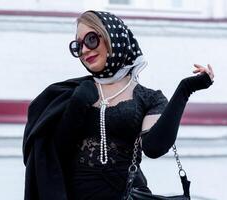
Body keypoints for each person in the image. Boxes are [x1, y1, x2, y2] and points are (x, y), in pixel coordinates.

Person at [22, 10, 214, 200]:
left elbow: (154, 148)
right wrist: (78, 104)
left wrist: (184, 89)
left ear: (112, 38)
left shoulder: (149, 98)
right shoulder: (68, 93)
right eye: (77, 46)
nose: (85, 50)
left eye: (91, 39)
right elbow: (52, 156)